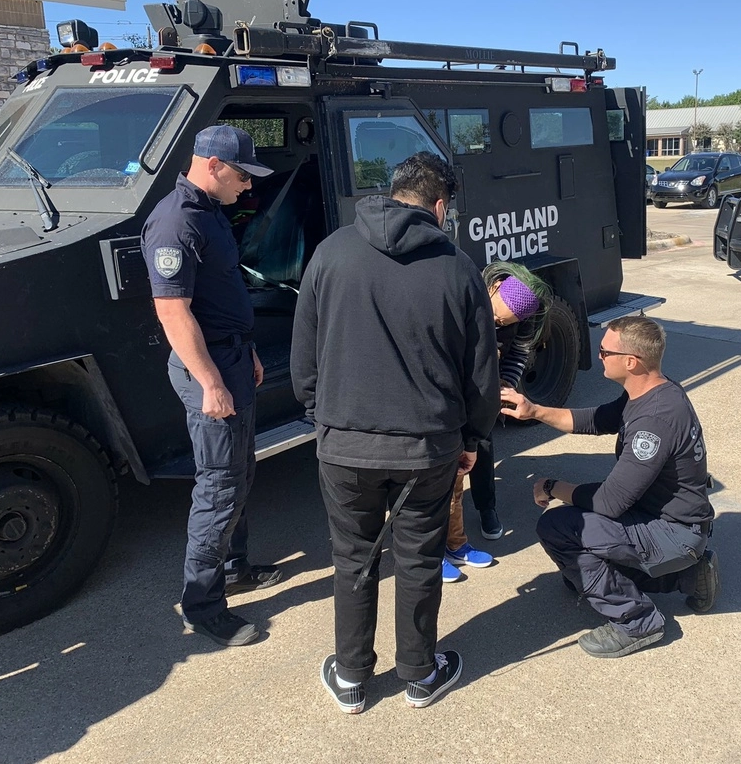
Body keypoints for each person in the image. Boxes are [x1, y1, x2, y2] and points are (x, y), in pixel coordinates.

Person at [291, 151, 500, 713]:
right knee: (418, 558)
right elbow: (482, 372)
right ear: (439, 204)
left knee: (353, 558)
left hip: (344, 444)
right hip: (426, 447)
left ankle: (353, 678)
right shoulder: (457, 267)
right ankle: (419, 674)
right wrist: (474, 439)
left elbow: (303, 357)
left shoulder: (331, 252)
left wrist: (323, 417)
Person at [500, 315, 719, 659]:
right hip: (668, 520)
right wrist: (534, 411)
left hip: (673, 532)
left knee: (560, 528)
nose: (599, 356)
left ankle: (638, 622)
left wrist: (553, 486)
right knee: (582, 558)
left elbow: (609, 502)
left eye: (604, 352)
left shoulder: (655, 420)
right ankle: (687, 576)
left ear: (630, 362)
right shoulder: (651, 390)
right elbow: (595, 420)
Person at [141, 124, 284, 649]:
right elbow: (172, 311)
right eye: (243, 176)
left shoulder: (208, 213)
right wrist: (211, 382)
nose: (248, 187)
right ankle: (202, 605)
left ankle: (234, 566)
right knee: (220, 486)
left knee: (240, 471)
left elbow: (217, 295)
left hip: (230, 357)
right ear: (215, 166)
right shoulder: (176, 222)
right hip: (208, 370)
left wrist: (244, 350)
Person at [442, 262, 552, 583]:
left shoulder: (525, 318)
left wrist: (503, 388)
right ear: (493, 287)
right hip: (453, 388)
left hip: (484, 388)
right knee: (440, 472)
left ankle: (474, 521)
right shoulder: (464, 296)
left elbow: (517, 353)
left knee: (477, 449)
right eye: (499, 317)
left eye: (507, 323)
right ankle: (432, 550)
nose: (499, 324)